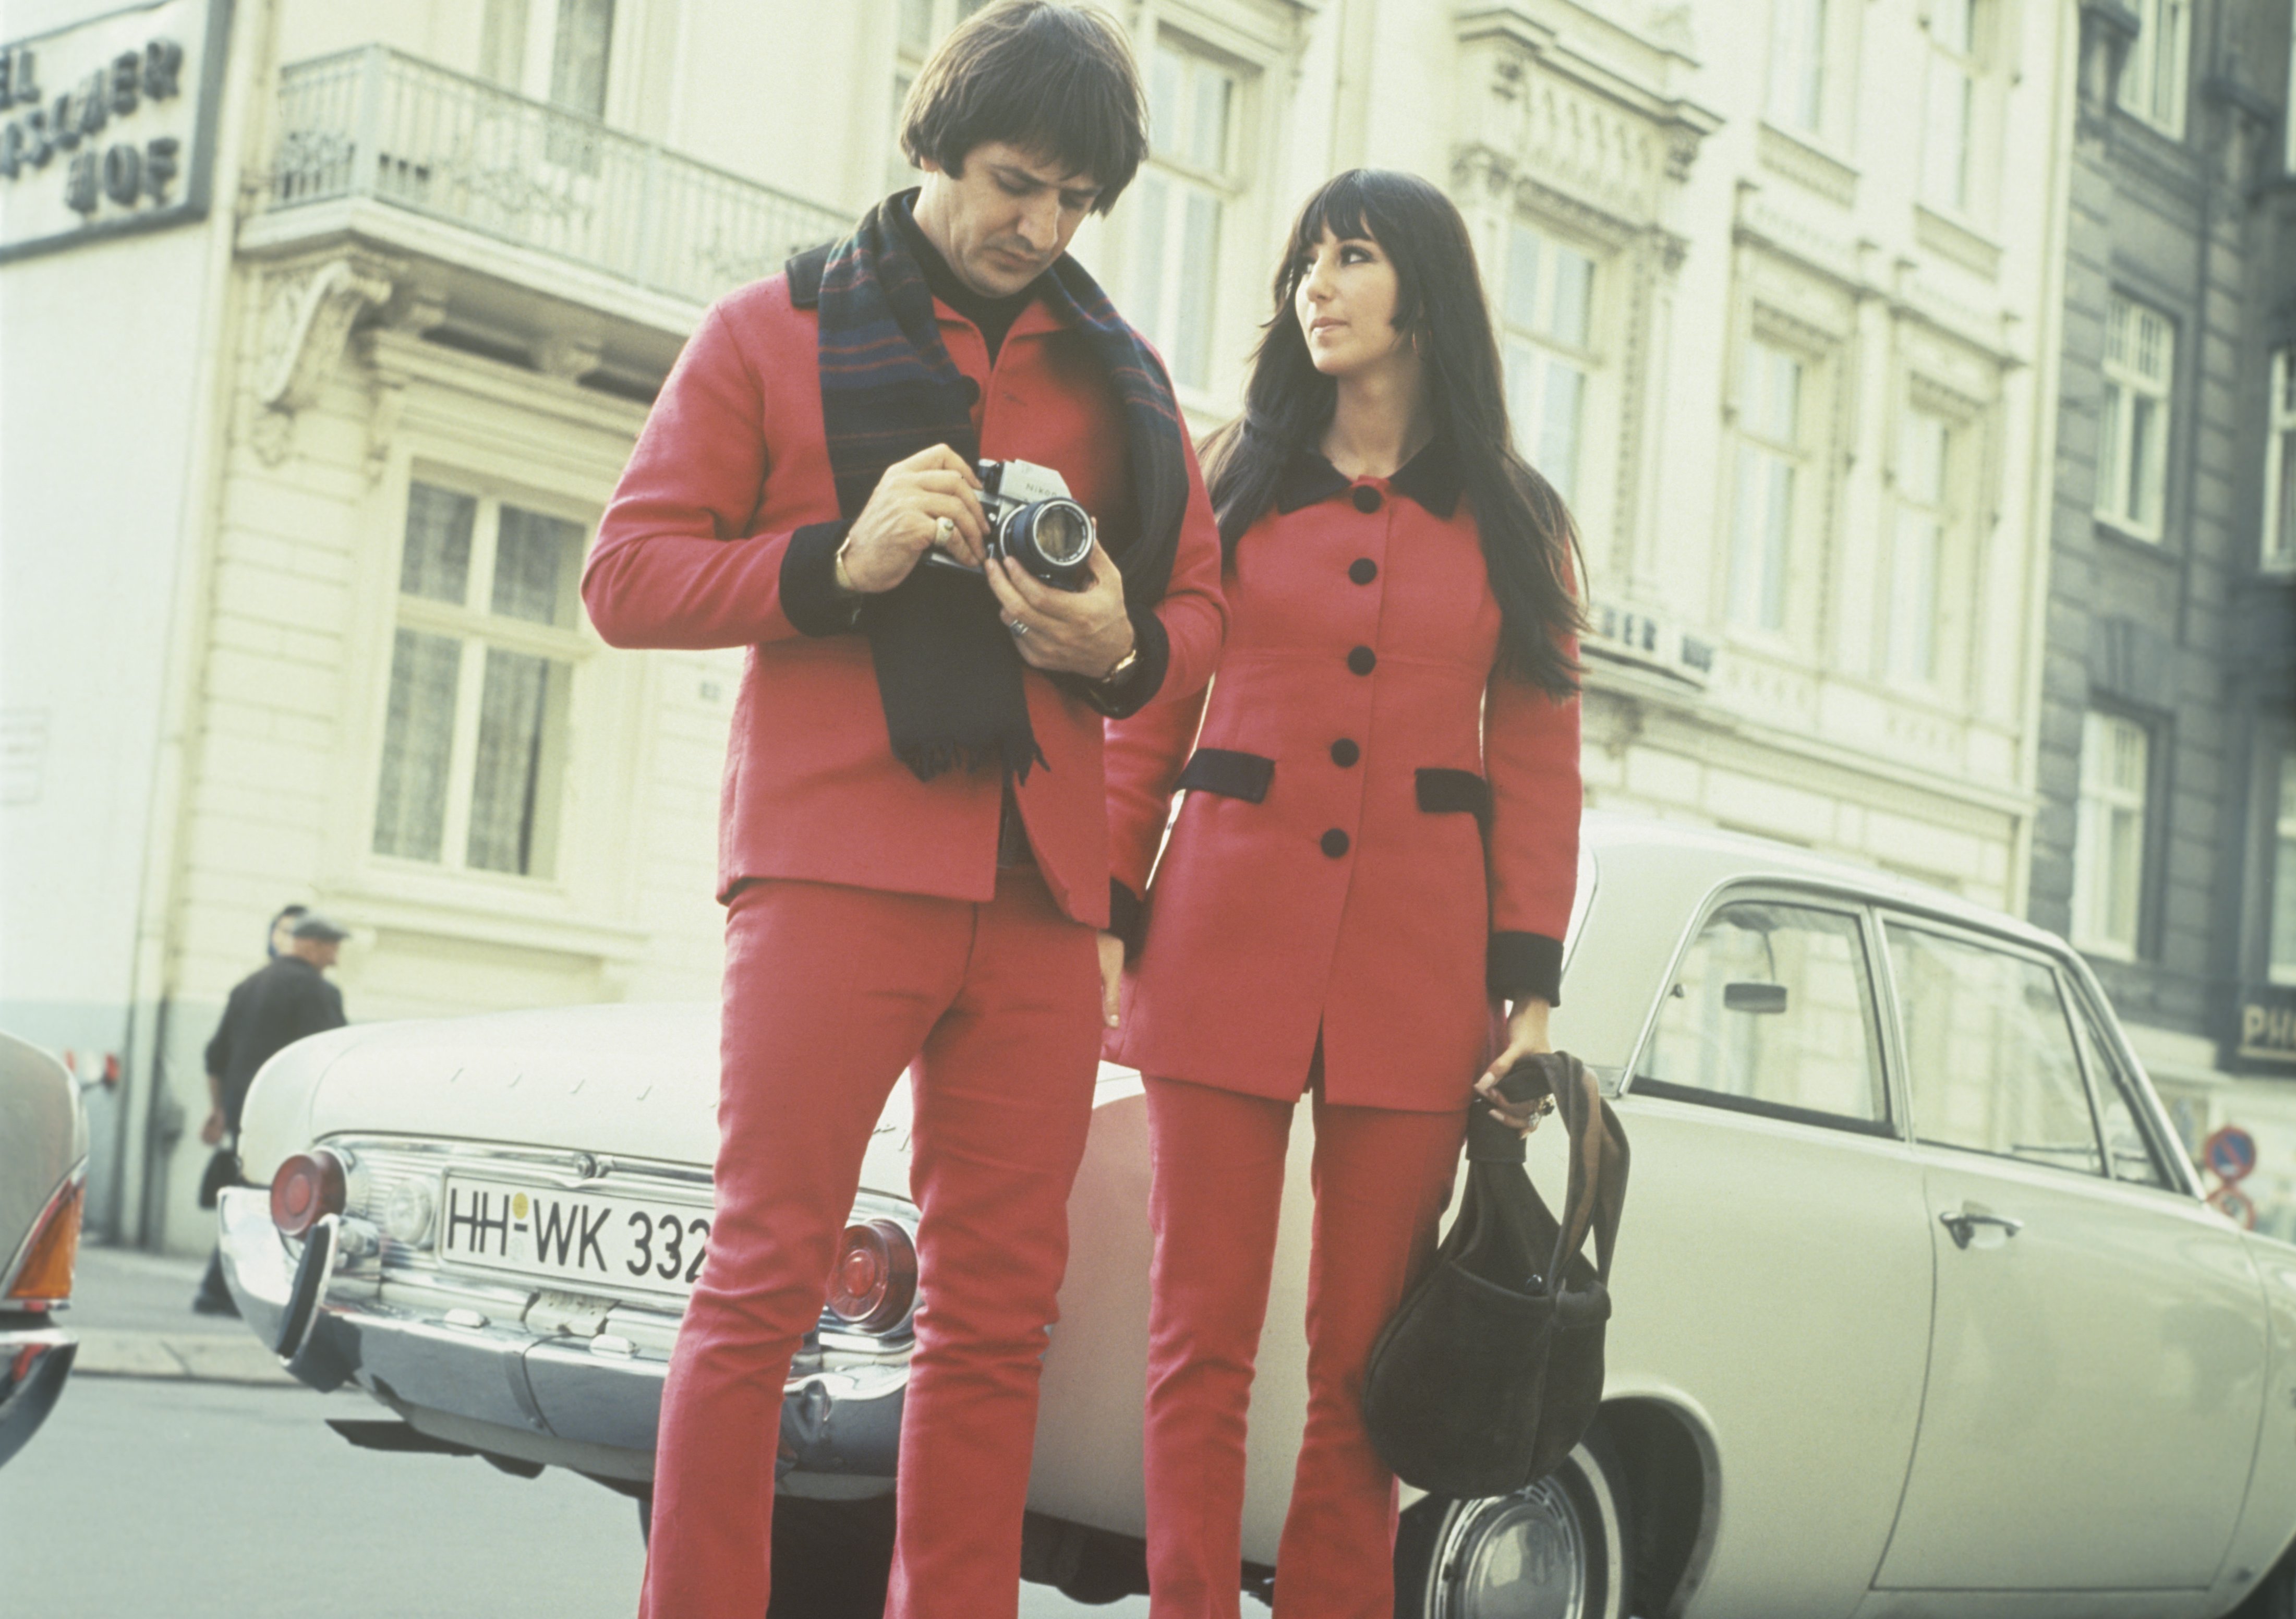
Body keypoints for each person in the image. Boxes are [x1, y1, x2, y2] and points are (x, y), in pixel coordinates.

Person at [579, 4, 1226, 1614]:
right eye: (1015, 182)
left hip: (1042, 891)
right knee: (762, 1276)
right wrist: (839, 560)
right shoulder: (768, 330)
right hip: (831, 865)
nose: (1043, 227)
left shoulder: (1124, 379)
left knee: (1000, 1314)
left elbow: (1200, 611)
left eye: (1077, 200)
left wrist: (1121, 641)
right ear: (934, 141)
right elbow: (626, 576)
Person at [1098, 169, 1585, 1619]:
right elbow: (1148, 712)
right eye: (1305, 259)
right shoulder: (1227, 479)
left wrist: (1528, 1000)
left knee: (1366, 1361)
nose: (1315, 284)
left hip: (1415, 978)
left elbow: (1538, 774)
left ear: (1420, 296)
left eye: (1351, 256)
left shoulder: (1515, 521)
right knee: (1197, 1335)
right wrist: (1108, 916)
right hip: (1216, 944)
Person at [191, 908, 349, 1315]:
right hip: (289, 1111)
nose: (336, 955)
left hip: (244, 1109)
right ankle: (232, 1291)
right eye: (332, 946)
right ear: (312, 945)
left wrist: (219, 1110)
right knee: (279, 1199)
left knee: (252, 1194)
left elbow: (215, 1056)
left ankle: (219, 1290)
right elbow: (332, 1055)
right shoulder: (318, 993)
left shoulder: (248, 986)